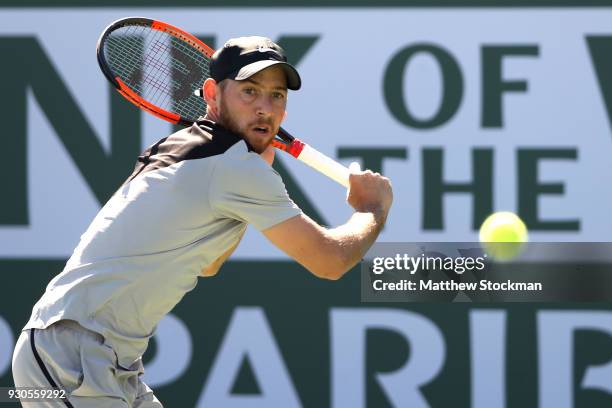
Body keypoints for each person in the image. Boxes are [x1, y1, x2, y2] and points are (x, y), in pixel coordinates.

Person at [12, 36, 393, 407]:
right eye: (249, 91)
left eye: (276, 95)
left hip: (105, 360)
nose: (265, 107)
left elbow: (208, 264)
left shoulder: (189, 150)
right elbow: (330, 261)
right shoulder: (232, 166)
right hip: (69, 355)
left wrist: (247, 203)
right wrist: (371, 210)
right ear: (212, 94)